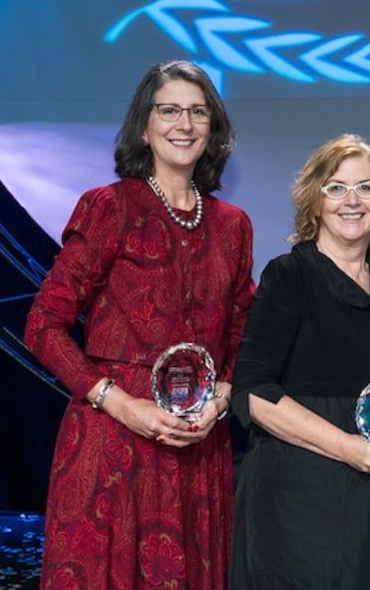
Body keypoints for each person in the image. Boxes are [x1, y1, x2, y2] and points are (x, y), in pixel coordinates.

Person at [25, 60, 255, 590]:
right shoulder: (109, 208)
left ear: (213, 129)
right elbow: (43, 325)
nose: (185, 123)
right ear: (144, 127)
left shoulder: (232, 225)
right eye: (169, 110)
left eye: (198, 112)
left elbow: (245, 330)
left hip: (199, 444)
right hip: (114, 446)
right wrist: (121, 404)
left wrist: (221, 398)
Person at [230, 134, 370, 589]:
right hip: (302, 506)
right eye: (336, 187)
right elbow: (253, 392)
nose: (352, 200)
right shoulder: (288, 276)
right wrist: (351, 449)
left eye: (367, 187)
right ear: (315, 199)